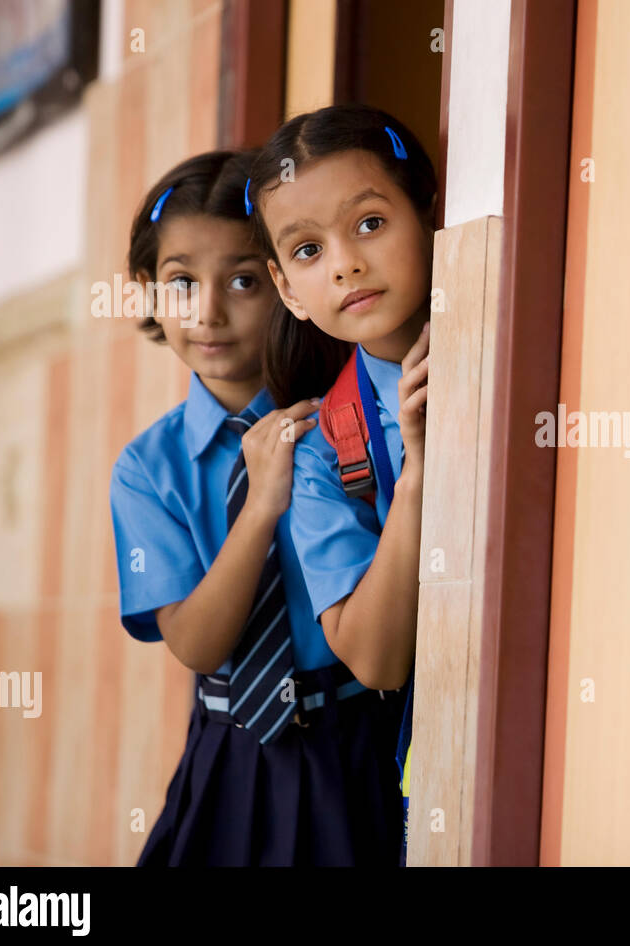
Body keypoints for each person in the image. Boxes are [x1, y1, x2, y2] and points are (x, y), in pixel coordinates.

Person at [109, 149, 404, 866]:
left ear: (283, 282)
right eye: (181, 283)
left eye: (242, 280)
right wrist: (261, 503)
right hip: (231, 755)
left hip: (360, 740)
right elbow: (197, 644)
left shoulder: (351, 418)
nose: (208, 312)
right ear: (149, 292)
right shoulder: (149, 469)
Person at [247, 105, 436, 865]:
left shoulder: (525, 337)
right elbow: (377, 660)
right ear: (287, 289)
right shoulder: (326, 449)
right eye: (306, 249)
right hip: (444, 750)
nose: (344, 265)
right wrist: (417, 475)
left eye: (368, 225)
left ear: (429, 216)